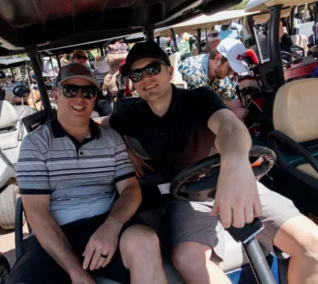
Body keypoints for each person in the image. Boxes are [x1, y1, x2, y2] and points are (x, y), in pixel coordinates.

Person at [102, 41, 318, 284]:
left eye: (153, 69)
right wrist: (127, 150)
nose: (146, 78)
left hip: (235, 179)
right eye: (137, 74)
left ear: (169, 72)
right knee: (188, 258)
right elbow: (98, 126)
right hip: (188, 196)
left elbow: (229, 127)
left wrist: (235, 164)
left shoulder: (199, 98)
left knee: (312, 244)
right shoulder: (133, 115)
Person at [7, 63, 167, 284]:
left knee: (145, 243)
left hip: (105, 221)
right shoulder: (35, 145)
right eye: (71, 90)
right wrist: (76, 271)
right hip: (54, 232)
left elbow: (130, 189)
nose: (79, 98)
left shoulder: (111, 139)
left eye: (88, 92)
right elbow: (37, 213)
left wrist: (111, 227)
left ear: (95, 98)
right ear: (56, 95)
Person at [179, 37, 241, 102]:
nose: (231, 73)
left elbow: (233, 100)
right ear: (217, 58)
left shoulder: (219, 73)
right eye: (229, 68)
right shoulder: (194, 74)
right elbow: (202, 109)